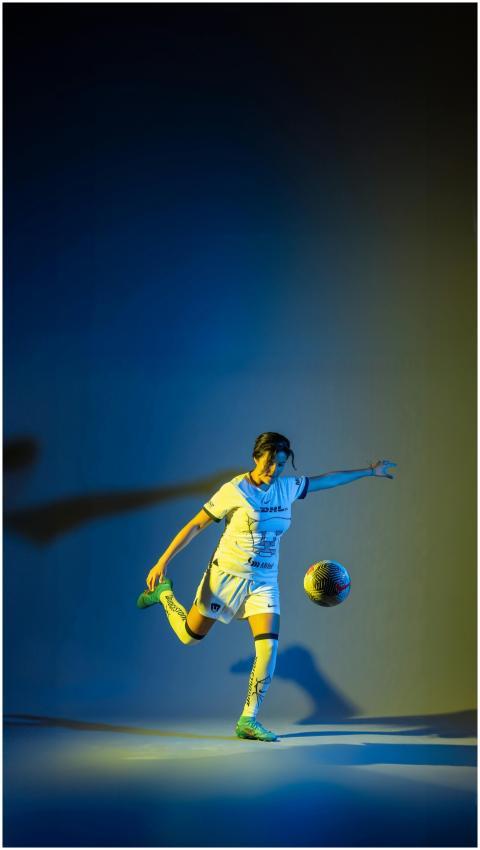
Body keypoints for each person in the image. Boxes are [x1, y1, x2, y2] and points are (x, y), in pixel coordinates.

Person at [136, 432, 397, 742]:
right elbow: (195, 524)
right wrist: (162, 561)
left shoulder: (286, 489)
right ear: (256, 458)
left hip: (263, 582)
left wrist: (369, 471)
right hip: (226, 576)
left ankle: (248, 719)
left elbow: (327, 480)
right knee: (189, 637)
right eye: (270, 462)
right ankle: (164, 594)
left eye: (281, 464)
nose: (274, 470)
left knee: (268, 648)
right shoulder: (235, 490)